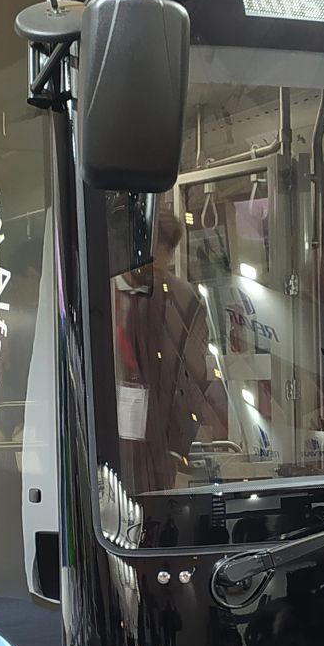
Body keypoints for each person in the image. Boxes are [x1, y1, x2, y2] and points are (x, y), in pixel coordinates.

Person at [113, 203, 214, 494]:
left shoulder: (184, 299)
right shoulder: (95, 294)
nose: (157, 276)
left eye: (162, 266)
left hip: (159, 447)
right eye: (148, 265)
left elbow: (195, 377)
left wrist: (175, 447)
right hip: (105, 439)